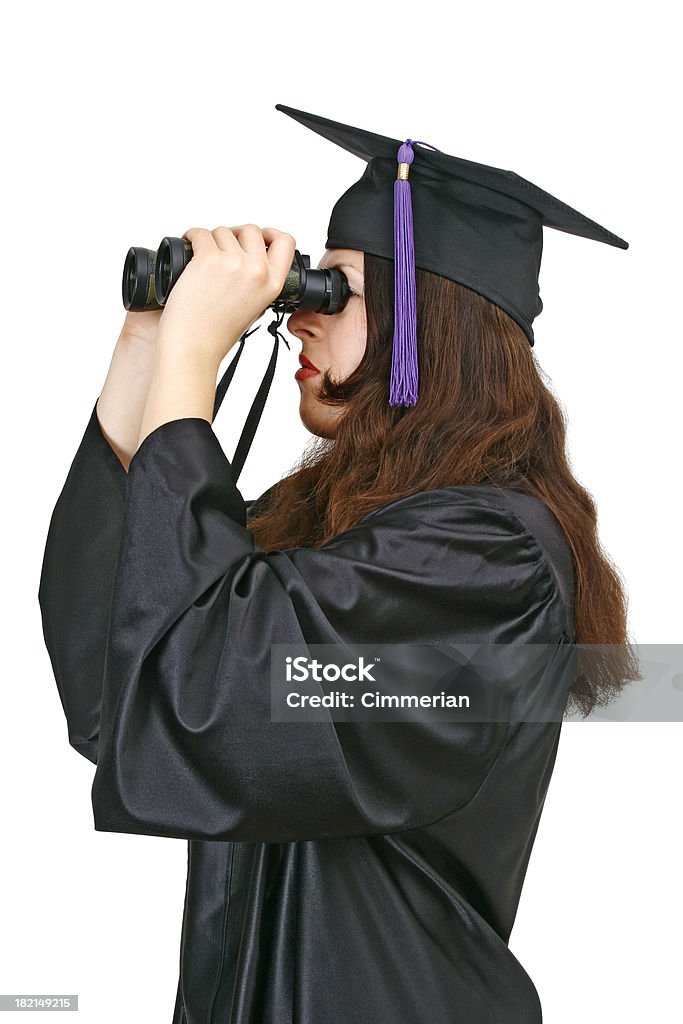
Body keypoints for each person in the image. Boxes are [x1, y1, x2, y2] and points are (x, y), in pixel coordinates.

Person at [38, 106, 640, 1023]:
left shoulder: (488, 563)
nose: (295, 319)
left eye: (333, 289)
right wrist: (148, 355)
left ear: (424, 319)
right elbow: (125, 689)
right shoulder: (337, 536)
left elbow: (221, 696)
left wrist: (198, 360)